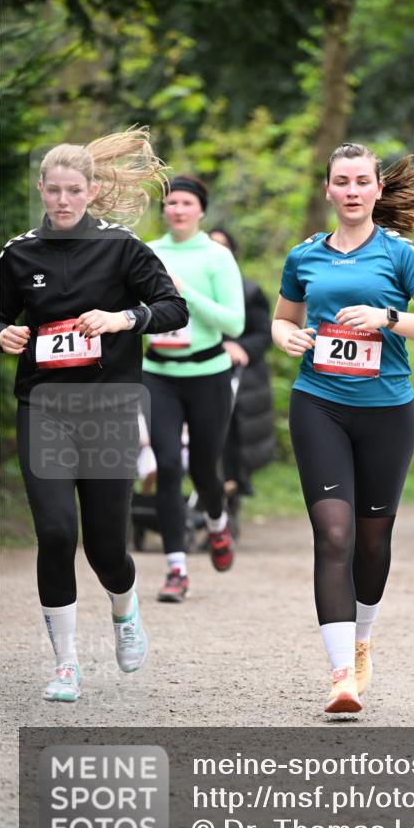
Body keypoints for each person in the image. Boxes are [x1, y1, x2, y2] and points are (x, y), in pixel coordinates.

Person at [0, 127, 188, 702]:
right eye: (52, 190)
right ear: (41, 190)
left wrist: (123, 318)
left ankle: (126, 612)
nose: (62, 200)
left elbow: (173, 308)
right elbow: (4, 316)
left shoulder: (122, 246)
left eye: (72, 190)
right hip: (45, 406)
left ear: (90, 191)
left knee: (107, 547)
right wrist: (4, 333)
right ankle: (65, 664)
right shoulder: (17, 252)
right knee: (56, 533)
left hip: (108, 406)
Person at [272, 142, 414, 715]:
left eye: (361, 181)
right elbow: (282, 321)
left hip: (387, 412)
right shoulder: (304, 256)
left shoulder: (401, 254)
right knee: (333, 535)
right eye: (341, 182)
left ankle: (360, 641)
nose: (351, 191)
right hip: (318, 404)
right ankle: (339, 679)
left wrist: (389, 317)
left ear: (377, 190)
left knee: (372, 539)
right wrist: (287, 339)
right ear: (327, 190)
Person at [144, 176, 244, 601]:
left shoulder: (216, 257)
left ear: (201, 209)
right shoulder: (147, 253)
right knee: (167, 466)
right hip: (157, 373)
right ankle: (176, 569)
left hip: (207, 374)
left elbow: (234, 324)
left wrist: (185, 296)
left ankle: (218, 526)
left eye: (185, 203)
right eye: (169, 203)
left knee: (204, 469)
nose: (177, 210)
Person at [208, 227, 275, 530]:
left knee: (229, 440)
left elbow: (265, 335)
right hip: (196, 372)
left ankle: (231, 498)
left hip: (241, 380)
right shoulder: (185, 291)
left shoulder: (249, 291)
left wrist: (240, 347)